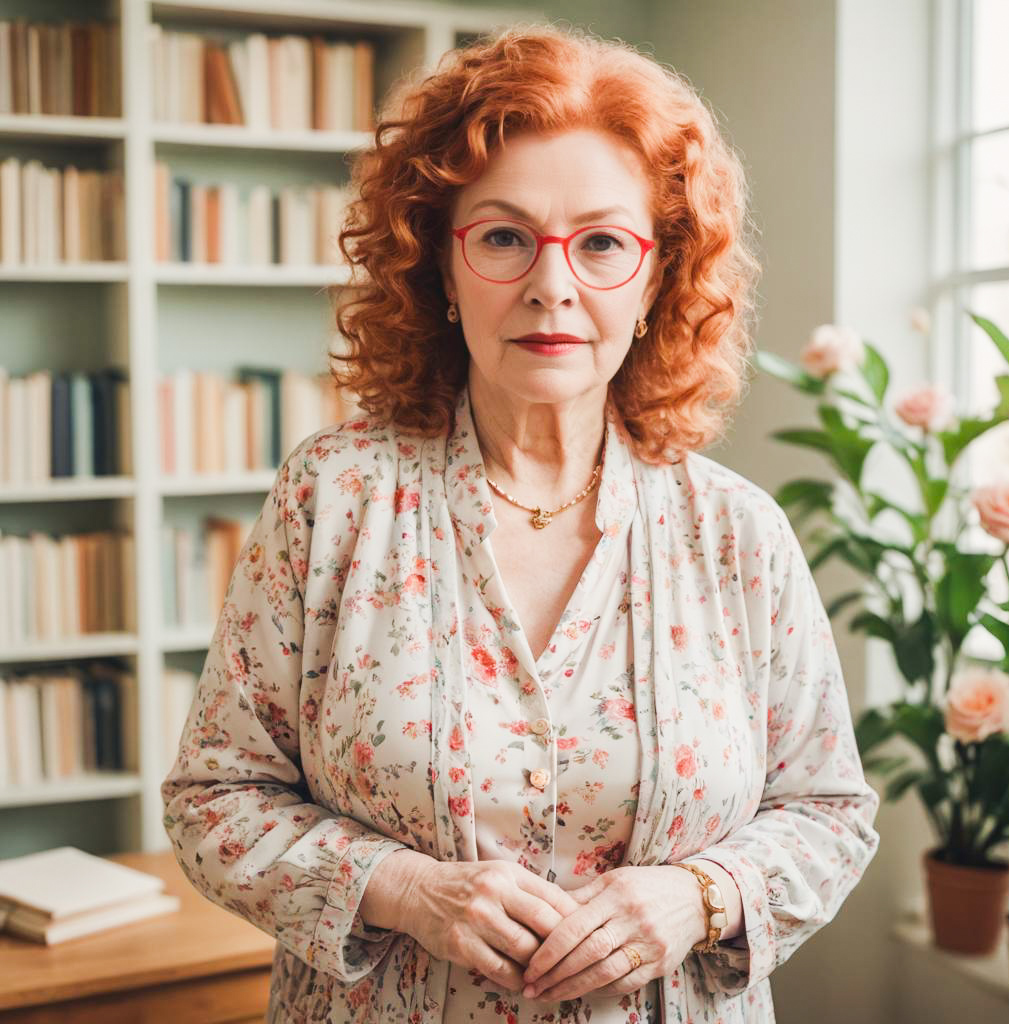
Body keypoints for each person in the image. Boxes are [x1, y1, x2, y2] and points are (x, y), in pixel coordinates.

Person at [162, 22, 881, 1024]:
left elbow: (829, 816)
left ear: (655, 277)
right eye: (504, 236)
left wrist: (696, 895)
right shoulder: (331, 501)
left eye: (599, 242)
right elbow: (212, 801)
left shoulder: (737, 534)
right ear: (440, 268)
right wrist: (401, 889)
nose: (552, 284)